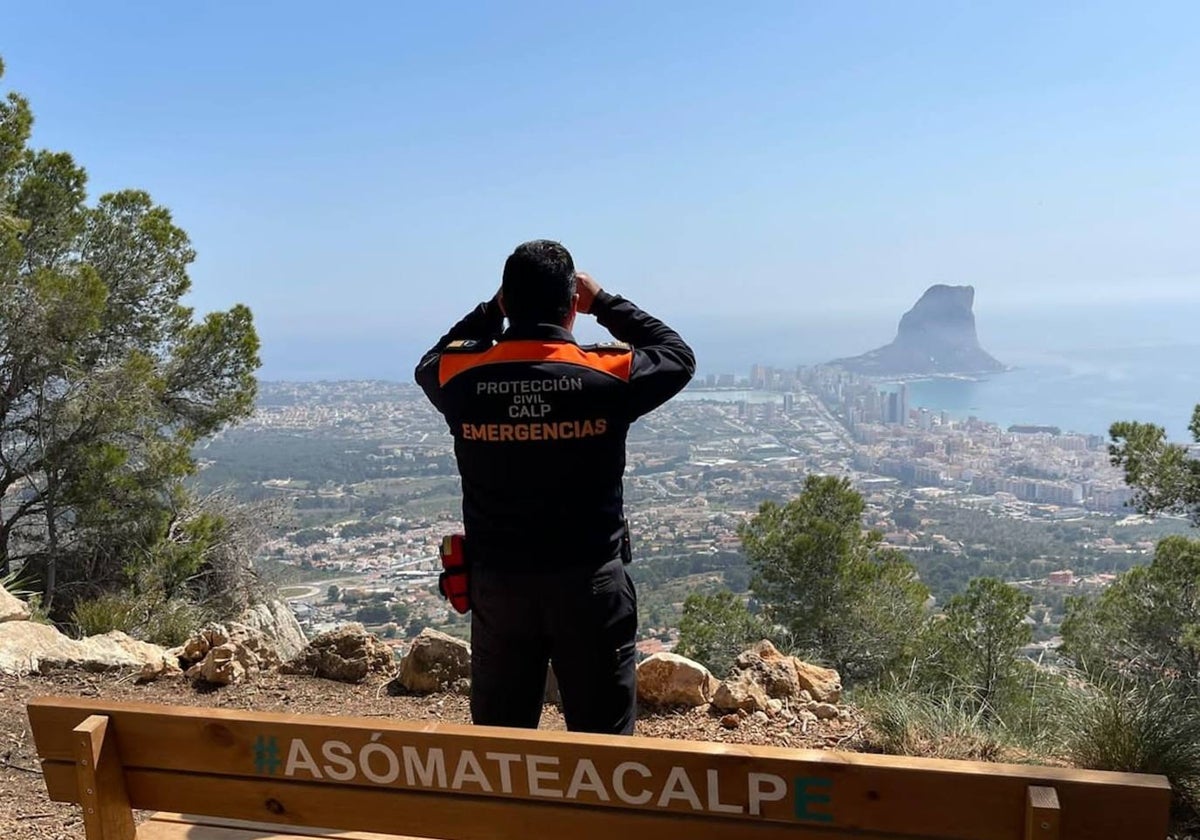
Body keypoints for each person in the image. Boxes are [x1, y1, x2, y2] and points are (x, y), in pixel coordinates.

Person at [414, 240, 695, 735]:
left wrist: (489, 312)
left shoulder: (460, 376)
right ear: (572, 307)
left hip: (499, 587)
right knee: (604, 745)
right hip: (589, 587)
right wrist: (605, 301)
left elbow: (429, 361)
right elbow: (677, 355)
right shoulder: (605, 374)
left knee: (502, 742)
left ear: (507, 302)